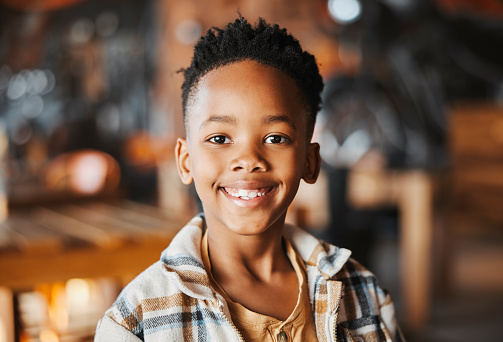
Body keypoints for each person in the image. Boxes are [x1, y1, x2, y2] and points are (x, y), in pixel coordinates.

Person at [95, 16, 404, 342]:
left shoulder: (362, 292)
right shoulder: (137, 320)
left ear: (310, 162)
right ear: (186, 162)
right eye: (219, 139)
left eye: (275, 138)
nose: (248, 160)